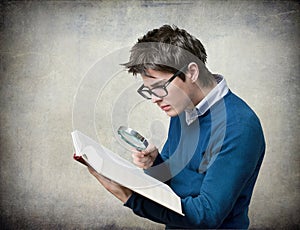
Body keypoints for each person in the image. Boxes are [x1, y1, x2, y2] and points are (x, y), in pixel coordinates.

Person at [88, 25, 265, 229]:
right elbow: (176, 187)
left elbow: (206, 215)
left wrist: (130, 197)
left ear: (191, 72)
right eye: (149, 91)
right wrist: (156, 164)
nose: (154, 99)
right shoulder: (183, 108)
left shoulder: (239, 126)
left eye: (160, 88)